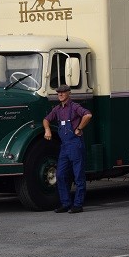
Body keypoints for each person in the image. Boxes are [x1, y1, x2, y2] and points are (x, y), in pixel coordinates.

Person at [43, 84, 92, 213]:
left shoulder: (75, 107)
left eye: (63, 92)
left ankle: (78, 204)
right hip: (64, 146)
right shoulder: (57, 109)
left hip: (75, 144)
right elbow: (46, 120)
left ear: (69, 93)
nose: (60, 94)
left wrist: (79, 128)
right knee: (60, 175)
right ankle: (65, 203)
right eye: (58, 92)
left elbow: (88, 115)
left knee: (78, 176)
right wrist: (47, 130)